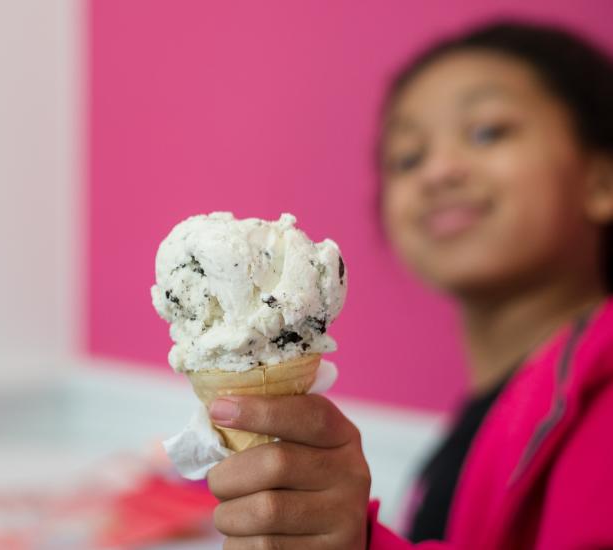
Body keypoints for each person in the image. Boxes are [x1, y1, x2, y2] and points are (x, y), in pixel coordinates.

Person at [204, 19, 613, 550]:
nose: (437, 171)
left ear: (601, 181)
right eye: (407, 156)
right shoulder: (493, 418)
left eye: (488, 131)